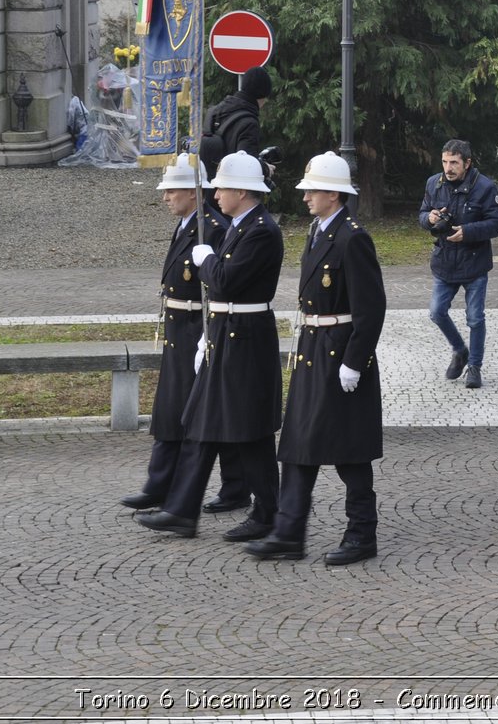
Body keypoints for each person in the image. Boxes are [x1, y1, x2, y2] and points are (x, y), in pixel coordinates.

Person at [247, 153, 387, 566]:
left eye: (311, 190)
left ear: (332, 193)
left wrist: (354, 361)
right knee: (297, 446)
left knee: (350, 452)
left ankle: (362, 533)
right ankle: (289, 532)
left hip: (339, 353)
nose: (305, 196)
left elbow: (372, 307)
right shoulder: (319, 229)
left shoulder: (352, 237)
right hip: (313, 350)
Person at [137, 151, 284, 539]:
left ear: (240, 190)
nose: (215, 194)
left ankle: (269, 513)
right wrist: (208, 334)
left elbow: (225, 281)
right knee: (200, 423)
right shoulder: (241, 224)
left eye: (220, 188)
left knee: (251, 434)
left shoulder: (261, 230)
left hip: (246, 340)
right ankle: (183, 510)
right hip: (225, 335)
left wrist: (205, 260)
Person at [119, 155, 228, 512]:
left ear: (194, 192)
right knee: (170, 409)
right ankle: (159, 482)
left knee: (199, 412)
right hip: (177, 329)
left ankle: (233, 487)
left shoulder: (211, 227)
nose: (165, 197)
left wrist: (206, 336)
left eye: (172, 190)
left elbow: (217, 287)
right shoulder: (186, 225)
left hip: (197, 328)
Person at [419, 139, 498, 390]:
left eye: (454, 162)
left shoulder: (486, 187)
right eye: (445, 161)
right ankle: (460, 350)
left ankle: (475, 367)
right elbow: (422, 214)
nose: (448, 167)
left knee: (475, 319)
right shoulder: (433, 183)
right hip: (444, 262)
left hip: (474, 264)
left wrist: (468, 232)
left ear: (467, 163)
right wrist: (430, 218)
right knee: (436, 312)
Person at [198, 66, 273, 197]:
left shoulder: (213, 111)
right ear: (262, 95)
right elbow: (245, 164)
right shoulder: (249, 122)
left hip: (206, 189)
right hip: (230, 194)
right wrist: (266, 168)